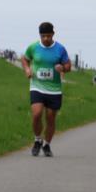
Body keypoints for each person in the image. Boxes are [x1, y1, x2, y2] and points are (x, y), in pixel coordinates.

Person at [21, 22, 71, 157]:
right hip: (37, 86)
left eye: (48, 36)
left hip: (54, 89)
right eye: (43, 36)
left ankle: (46, 145)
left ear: (53, 34)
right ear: (40, 36)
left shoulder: (60, 49)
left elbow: (68, 66)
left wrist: (63, 68)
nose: (46, 39)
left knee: (50, 118)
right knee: (37, 114)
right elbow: (25, 59)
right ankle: (37, 140)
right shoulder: (33, 47)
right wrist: (27, 69)